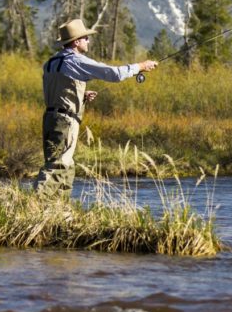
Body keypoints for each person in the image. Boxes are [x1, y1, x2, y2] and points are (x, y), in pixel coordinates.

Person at [34, 18, 157, 197]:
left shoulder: (51, 62)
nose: (88, 41)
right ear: (76, 42)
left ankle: (57, 209)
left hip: (51, 119)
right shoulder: (76, 61)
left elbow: (56, 90)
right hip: (66, 121)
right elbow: (114, 74)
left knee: (66, 164)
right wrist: (140, 66)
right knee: (59, 165)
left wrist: (80, 96)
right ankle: (36, 204)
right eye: (86, 38)